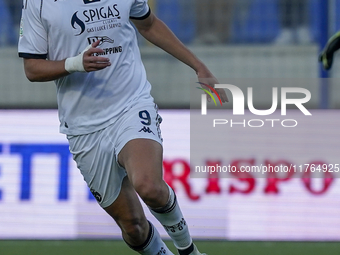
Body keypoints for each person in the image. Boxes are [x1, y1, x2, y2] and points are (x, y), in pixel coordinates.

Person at [18, 0, 228, 255]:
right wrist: (75, 64)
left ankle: (189, 251)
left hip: (130, 104)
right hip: (84, 127)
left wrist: (198, 66)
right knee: (134, 227)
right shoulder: (38, 3)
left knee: (148, 185)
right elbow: (32, 68)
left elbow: (148, 25)